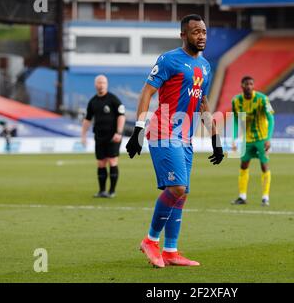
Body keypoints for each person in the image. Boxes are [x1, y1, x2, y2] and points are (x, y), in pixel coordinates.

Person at [125, 14, 224, 268]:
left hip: (185, 136)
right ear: (183, 35)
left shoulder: (205, 67)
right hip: (162, 130)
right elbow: (147, 91)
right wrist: (137, 129)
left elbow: (202, 102)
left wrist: (215, 138)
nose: (201, 36)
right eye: (195, 32)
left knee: (183, 194)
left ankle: (171, 251)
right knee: (177, 188)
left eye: (203, 31)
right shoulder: (169, 60)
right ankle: (150, 240)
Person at [231, 76, 275, 206]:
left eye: (251, 84)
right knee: (243, 165)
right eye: (246, 84)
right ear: (242, 85)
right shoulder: (236, 101)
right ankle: (242, 196)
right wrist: (234, 138)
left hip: (262, 139)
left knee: (264, 165)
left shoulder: (263, 99)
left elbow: (271, 118)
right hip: (247, 140)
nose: (249, 86)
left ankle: (265, 197)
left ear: (253, 85)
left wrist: (268, 138)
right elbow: (235, 120)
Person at [81, 75, 126, 198]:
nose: (101, 85)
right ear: (95, 84)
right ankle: (102, 191)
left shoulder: (113, 99)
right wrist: (83, 135)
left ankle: (111, 191)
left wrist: (119, 132)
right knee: (100, 163)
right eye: (99, 82)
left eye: (103, 82)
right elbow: (87, 119)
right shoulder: (93, 101)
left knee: (112, 161)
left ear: (106, 84)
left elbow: (121, 116)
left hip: (113, 136)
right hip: (99, 136)